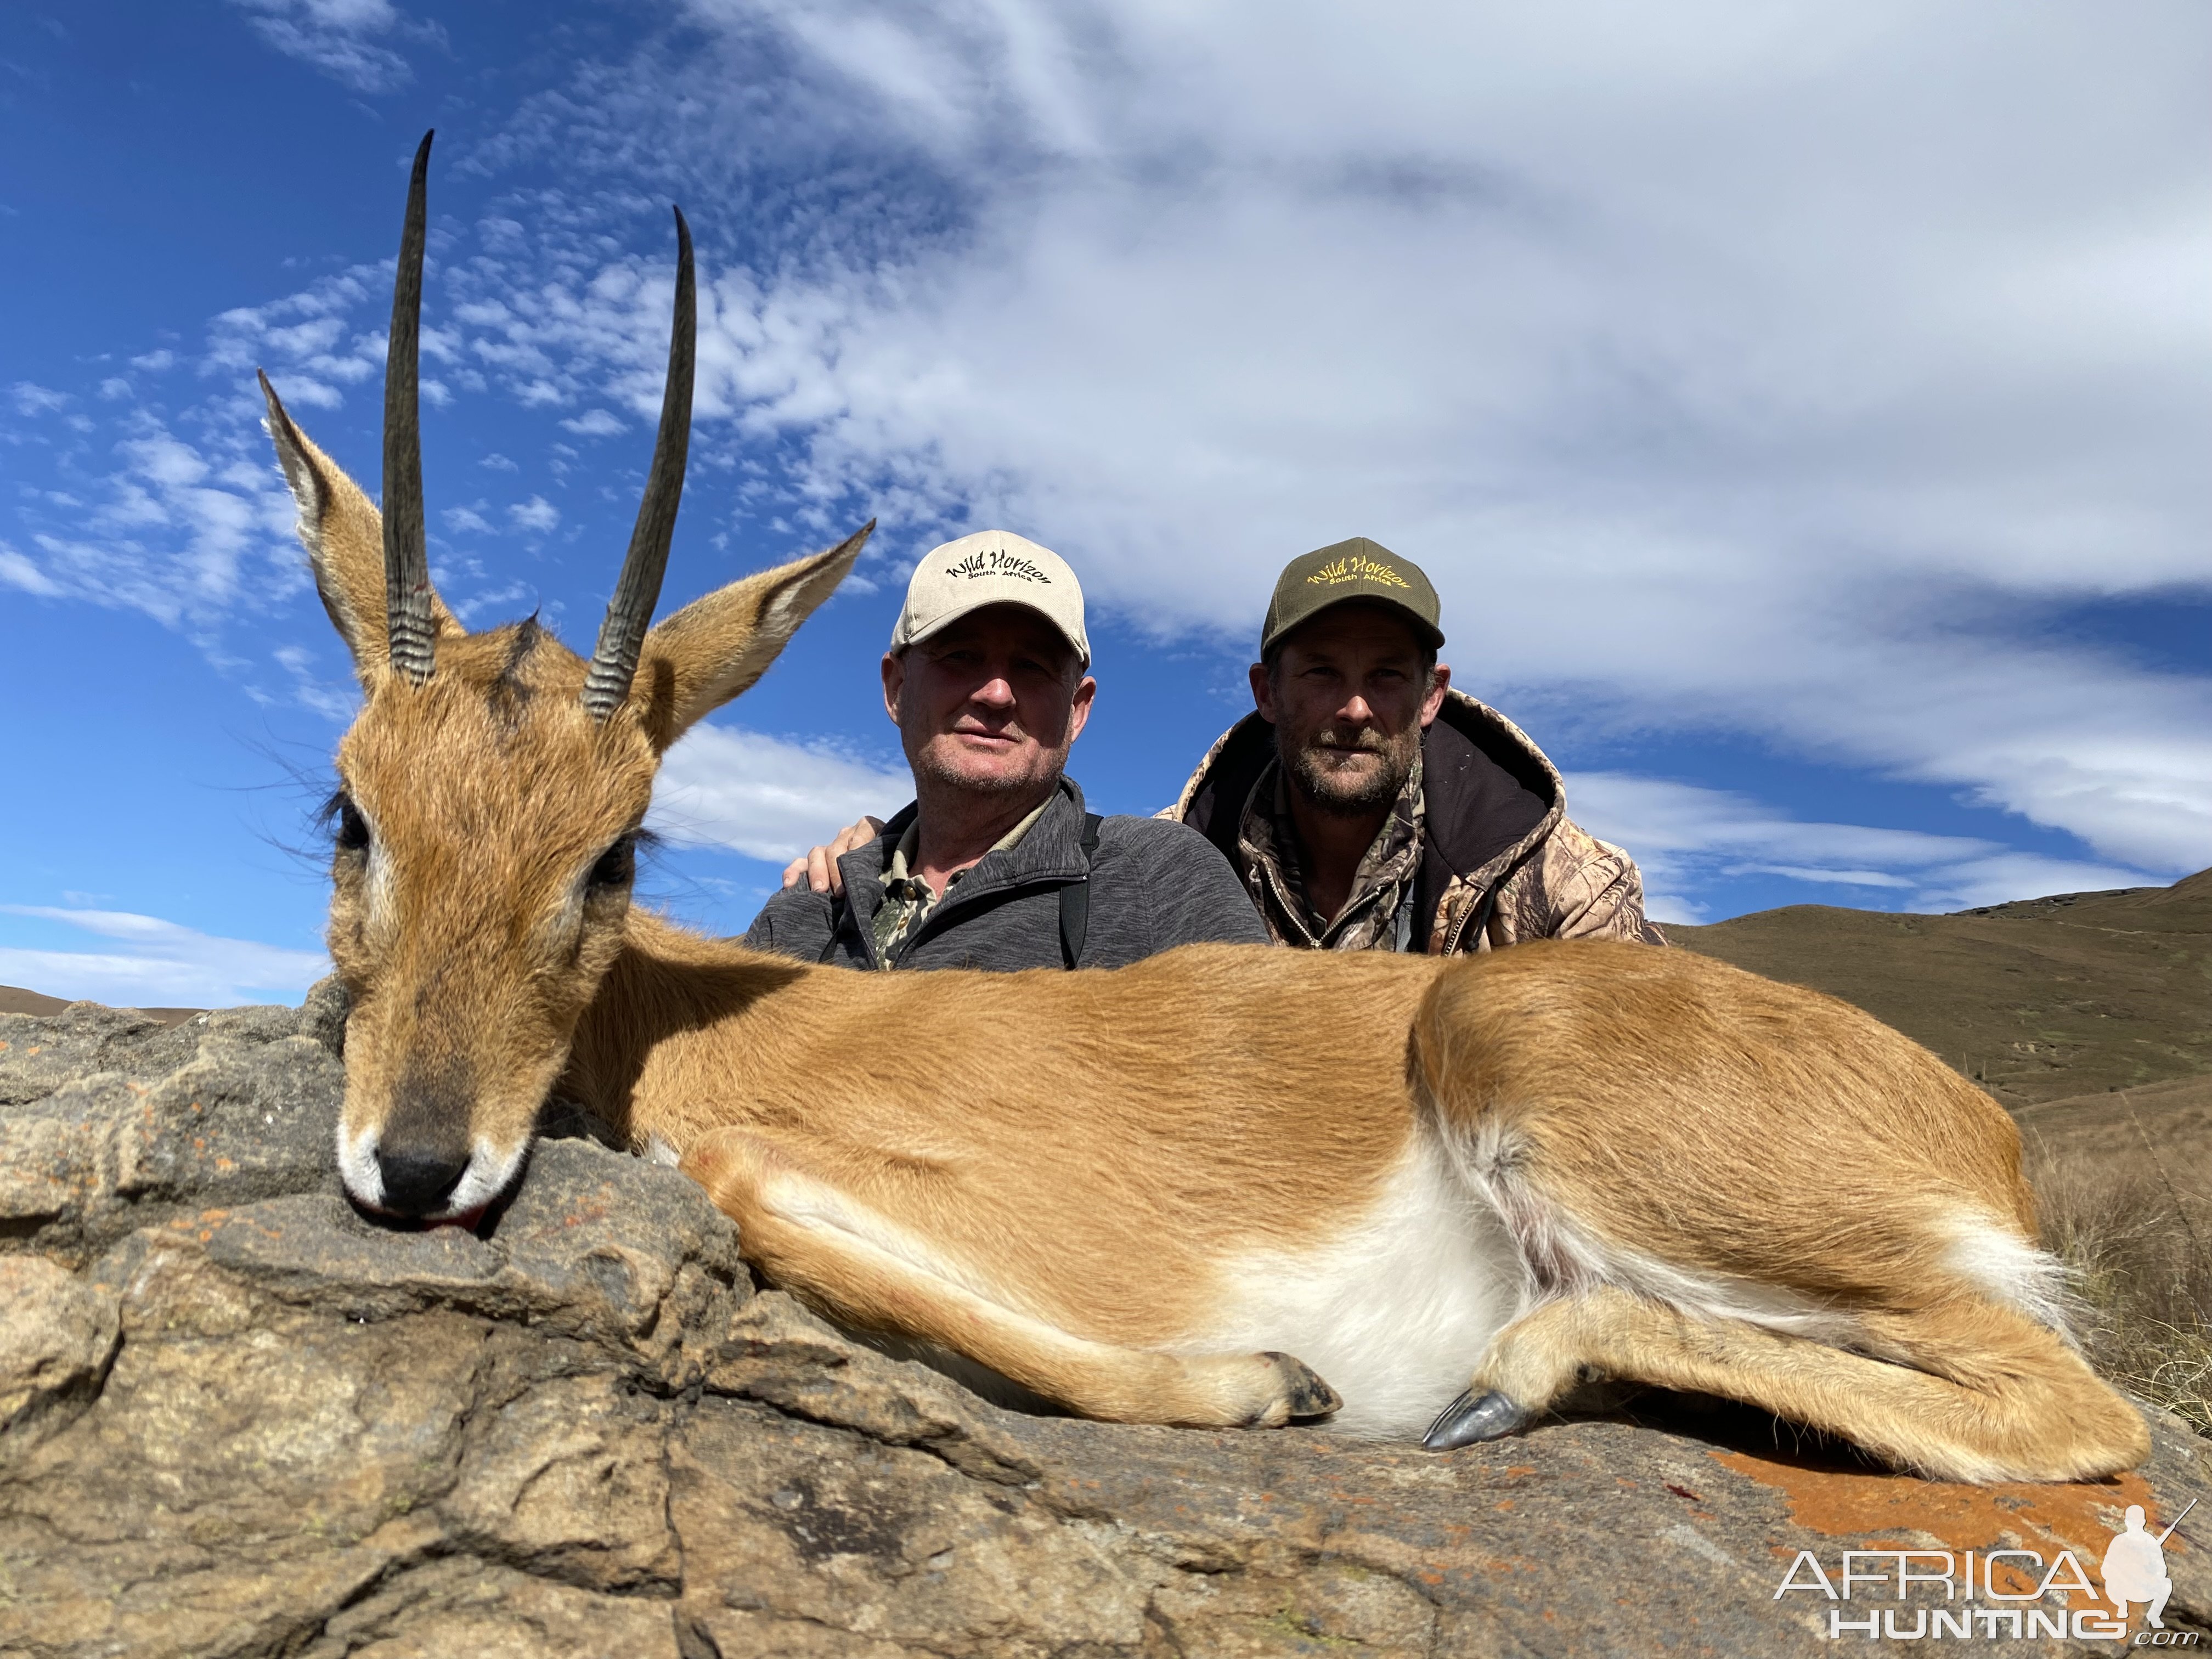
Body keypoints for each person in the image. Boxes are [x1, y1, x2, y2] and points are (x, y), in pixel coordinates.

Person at [750, 530, 1269, 970]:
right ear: (897, 688)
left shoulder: (1162, 881)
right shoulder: (808, 911)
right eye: (960, 656)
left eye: (1033, 666)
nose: (996, 694)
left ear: (1077, 710)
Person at [1170, 537, 1664, 954]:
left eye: (1387, 674)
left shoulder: (1574, 890)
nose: (1356, 709)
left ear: (1431, 696)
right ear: (1267, 693)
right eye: (1322, 672)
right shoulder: (1162, 871)